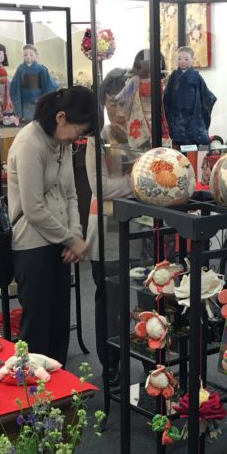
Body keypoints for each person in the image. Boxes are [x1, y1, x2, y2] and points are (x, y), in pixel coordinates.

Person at [7, 87, 96, 365]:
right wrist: (71, 239)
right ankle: (32, 391)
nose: (77, 139)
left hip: (59, 243)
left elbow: (71, 194)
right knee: (37, 331)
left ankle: (59, 389)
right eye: (79, 131)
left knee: (59, 328)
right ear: (61, 117)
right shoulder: (29, 143)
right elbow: (33, 208)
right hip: (32, 247)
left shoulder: (62, 144)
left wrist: (75, 234)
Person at [85, 68, 139, 386]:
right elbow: (100, 187)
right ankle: (111, 365)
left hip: (141, 231)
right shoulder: (99, 139)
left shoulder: (143, 136)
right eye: (110, 103)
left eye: (123, 102)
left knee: (148, 297)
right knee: (110, 303)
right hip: (107, 231)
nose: (117, 110)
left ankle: (154, 364)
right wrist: (139, 182)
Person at [163, 46, 216, 145]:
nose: (182, 61)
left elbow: (206, 94)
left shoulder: (196, 76)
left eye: (186, 59)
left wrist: (204, 104)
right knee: (176, 139)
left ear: (192, 60)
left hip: (191, 114)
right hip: (176, 114)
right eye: (179, 59)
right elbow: (167, 94)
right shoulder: (173, 76)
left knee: (191, 139)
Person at [9, 44, 58, 124]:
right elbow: (15, 85)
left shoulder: (41, 69)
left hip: (38, 98)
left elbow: (49, 86)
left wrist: (45, 100)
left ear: (36, 55)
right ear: (22, 55)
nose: (28, 57)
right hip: (24, 99)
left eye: (31, 55)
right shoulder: (20, 68)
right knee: (26, 120)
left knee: (36, 119)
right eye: (25, 55)